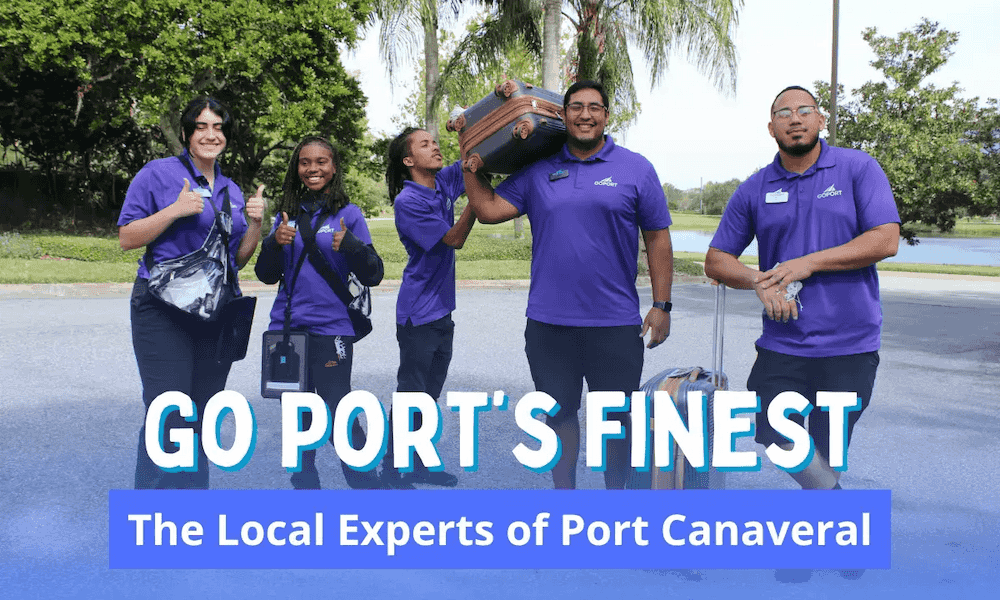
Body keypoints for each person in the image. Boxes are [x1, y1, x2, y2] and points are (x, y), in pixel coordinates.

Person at [704, 85, 900, 582]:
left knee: (828, 448)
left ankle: (810, 543)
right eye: (783, 113)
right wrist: (759, 280)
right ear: (771, 127)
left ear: (820, 120)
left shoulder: (857, 168)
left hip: (850, 341)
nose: (795, 119)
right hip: (783, 342)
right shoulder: (755, 188)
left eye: (804, 110)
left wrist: (807, 263)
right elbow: (717, 259)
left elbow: (885, 239)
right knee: (770, 429)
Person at [462, 80, 674, 490]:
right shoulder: (538, 170)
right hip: (549, 324)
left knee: (616, 419)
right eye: (576, 106)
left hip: (614, 323)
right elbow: (487, 209)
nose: (585, 114)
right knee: (558, 415)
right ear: (562, 114)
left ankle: (616, 501)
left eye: (594, 107)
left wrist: (661, 305)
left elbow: (657, 238)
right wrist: (469, 163)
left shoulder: (635, 168)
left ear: (606, 116)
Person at [119, 96, 265, 489]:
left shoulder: (231, 190)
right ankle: (151, 511)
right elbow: (127, 237)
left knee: (202, 415)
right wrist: (174, 210)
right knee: (169, 412)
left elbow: (234, 261)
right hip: (162, 309)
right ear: (186, 134)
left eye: (218, 127)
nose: (210, 134)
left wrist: (254, 226)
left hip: (215, 312)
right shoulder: (158, 173)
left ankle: (192, 509)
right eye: (201, 126)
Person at [255, 136, 386, 490]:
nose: (312, 169)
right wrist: (273, 243)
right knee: (297, 414)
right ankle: (305, 484)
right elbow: (266, 275)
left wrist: (353, 246)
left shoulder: (349, 214)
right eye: (305, 162)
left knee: (338, 406)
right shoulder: (286, 215)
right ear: (296, 168)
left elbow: (374, 274)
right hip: (287, 330)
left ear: (334, 167)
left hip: (332, 328)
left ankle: (365, 483)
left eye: (321, 162)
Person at [384, 127, 477, 488]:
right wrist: (476, 202)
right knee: (411, 395)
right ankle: (392, 468)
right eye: (425, 144)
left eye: (434, 141)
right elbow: (454, 238)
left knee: (428, 396)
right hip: (418, 314)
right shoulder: (408, 201)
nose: (435, 147)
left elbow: (471, 162)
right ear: (409, 160)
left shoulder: (441, 184)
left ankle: (420, 463)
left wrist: (468, 128)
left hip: (441, 312)